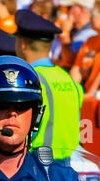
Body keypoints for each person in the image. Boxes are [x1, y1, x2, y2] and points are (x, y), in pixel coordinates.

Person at [14, 9, 83, 161]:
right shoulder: (70, 80)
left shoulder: (26, 80)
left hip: (33, 166)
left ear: (23, 43)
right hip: (67, 166)